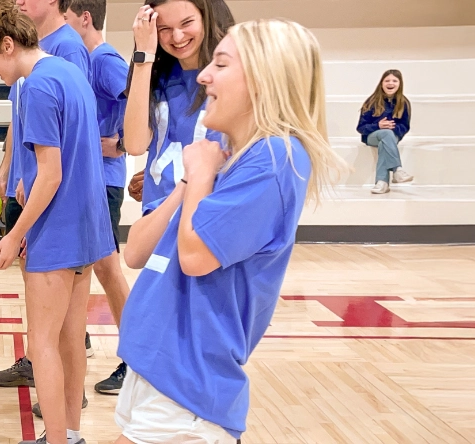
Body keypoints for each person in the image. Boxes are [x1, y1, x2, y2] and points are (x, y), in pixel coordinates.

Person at [115, 19, 347, 443]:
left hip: (186, 383)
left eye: (220, 64)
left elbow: (196, 255)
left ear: (262, 80)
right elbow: (136, 252)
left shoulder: (275, 157)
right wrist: (193, 177)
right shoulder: (233, 157)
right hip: (160, 371)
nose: (203, 76)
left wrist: (200, 173)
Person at [0, 0, 114, 441]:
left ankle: (54, 439)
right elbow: (70, 154)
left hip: (58, 227)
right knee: (72, 339)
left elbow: (51, 174)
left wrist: (15, 234)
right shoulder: (70, 70)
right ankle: (70, 432)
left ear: (8, 44)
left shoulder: (33, 87)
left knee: (43, 345)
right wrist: (22, 178)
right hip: (89, 223)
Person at [65, 0, 134, 398]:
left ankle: (135, 360)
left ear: (84, 18)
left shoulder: (105, 59)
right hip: (89, 181)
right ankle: (79, 341)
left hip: (103, 182)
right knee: (94, 271)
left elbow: (140, 100)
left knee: (106, 272)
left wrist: (122, 143)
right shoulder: (83, 59)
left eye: (67, 19)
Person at [123, 0, 232, 213]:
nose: (177, 37)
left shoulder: (233, 76)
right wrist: (144, 55)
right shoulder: (156, 77)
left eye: (187, 23)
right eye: (164, 29)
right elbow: (135, 145)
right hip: (156, 218)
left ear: (206, 17)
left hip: (208, 219)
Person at [357, 69, 413, 194]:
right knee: (385, 134)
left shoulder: (404, 103)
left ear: (400, 84)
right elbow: (361, 128)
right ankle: (397, 170)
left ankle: (382, 183)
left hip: (393, 137)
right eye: (387, 80)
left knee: (385, 141)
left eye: (394, 80)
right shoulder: (371, 101)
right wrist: (378, 125)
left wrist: (392, 128)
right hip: (372, 136)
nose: (390, 83)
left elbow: (405, 127)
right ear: (381, 83)